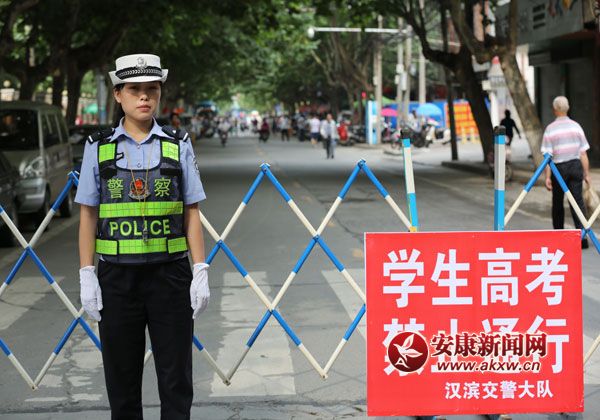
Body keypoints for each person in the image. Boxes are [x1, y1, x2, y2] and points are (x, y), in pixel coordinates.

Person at [75, 53, 209, 419]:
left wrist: (200, 269)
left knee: (176, 379)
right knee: (122, 382)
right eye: (134, 89)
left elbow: (191, 210)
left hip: (170, 276)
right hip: (117, 278)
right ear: (118, 94)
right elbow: (88, 213)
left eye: (152, 88)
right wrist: (87, 273)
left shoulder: (178, 143)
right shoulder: (98, 146)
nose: (144, 96)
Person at [541, 96, 590, 249]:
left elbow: (548, 157)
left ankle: (559, 237)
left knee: (557, 202)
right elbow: (583, 153)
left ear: (554, 110)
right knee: (577, 202)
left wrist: (547, 177)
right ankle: (582, 237)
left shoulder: (550, 129)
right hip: (575, 166)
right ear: (567, 108)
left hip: (558, 168)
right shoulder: (576, 127)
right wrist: (586, 174)